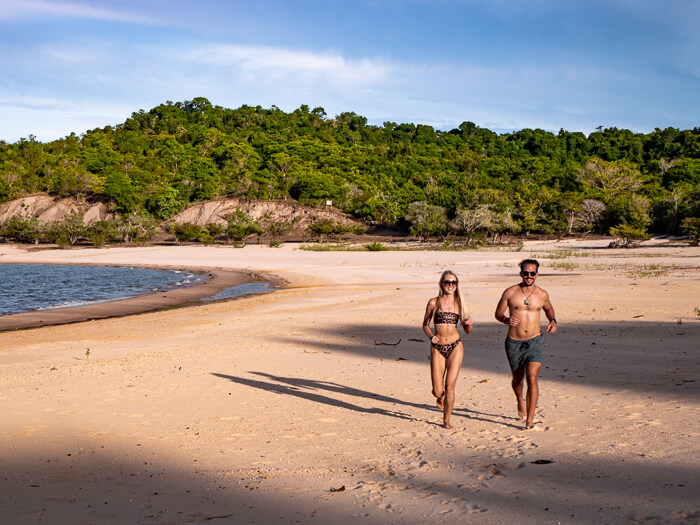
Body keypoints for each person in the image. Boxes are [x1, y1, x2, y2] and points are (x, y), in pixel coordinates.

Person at [495, 259, 557, 429]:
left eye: (532, 273)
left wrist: (552, 320)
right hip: (514, 343)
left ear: (537, 274)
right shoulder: (510, 292)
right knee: (517, 380)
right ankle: (519, 400)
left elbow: (549, 309)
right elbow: (498, 313)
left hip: (535, 341)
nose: (529, 276)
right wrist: (507, 320)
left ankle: (530, 419)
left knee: (532, 378)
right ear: (520, 273)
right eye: (525, 273)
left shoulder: (542, 294)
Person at [423, 270, 473, 429]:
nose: (450, 285)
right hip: (437, 348)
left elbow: (468, 331)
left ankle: (446, 421)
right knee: (438, 390)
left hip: (455, 347)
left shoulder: (460, 304)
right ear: (441, 284)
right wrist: (431, 336)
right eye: (447, 282)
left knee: (450, 386)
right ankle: (439, 397)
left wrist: (469, 324)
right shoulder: (433, 303)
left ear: (457, 285)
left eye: (453, 283)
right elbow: (425, 325)